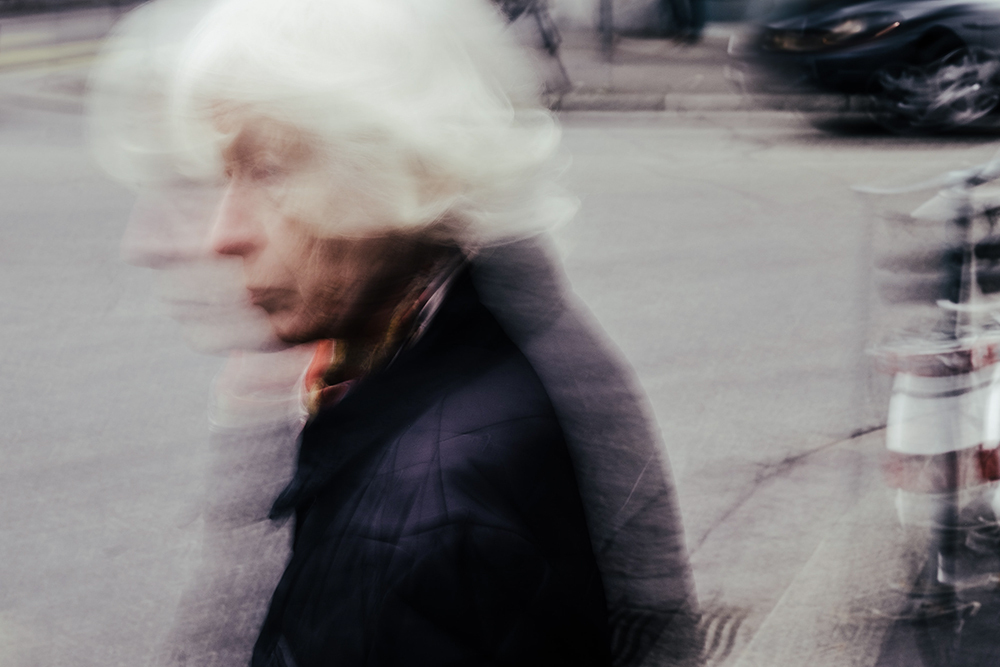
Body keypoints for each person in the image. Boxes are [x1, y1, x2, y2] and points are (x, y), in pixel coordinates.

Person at [88, 0, 700, 664]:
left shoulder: (429, 526)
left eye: (269, 169)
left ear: (399, 167)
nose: (224, 233)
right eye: (227, 174)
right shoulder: (473, 329)